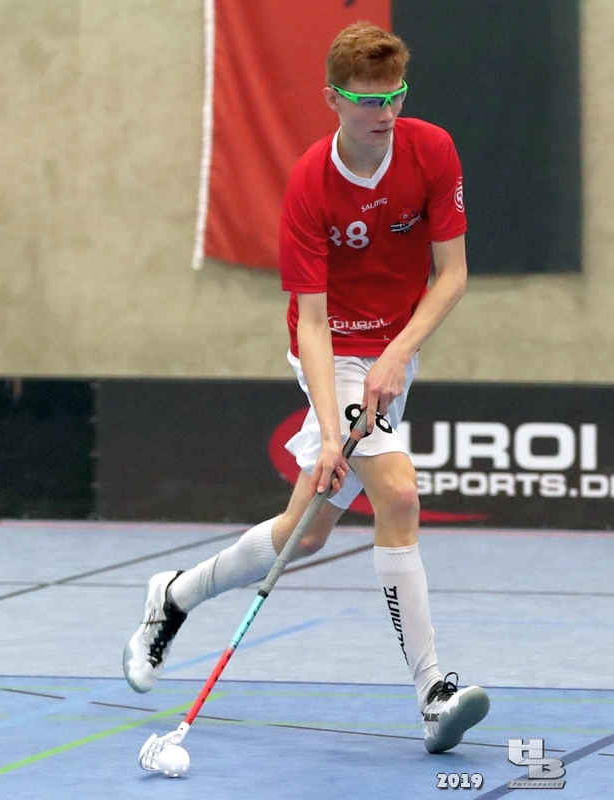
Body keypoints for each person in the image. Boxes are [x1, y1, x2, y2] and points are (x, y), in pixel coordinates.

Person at [122, 21, 488, 755]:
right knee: (399, 495)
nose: (385, 112)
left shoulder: (432, 150)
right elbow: (313, 323)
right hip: (333, 349)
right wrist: (328, 427)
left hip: (392, 352)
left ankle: (175, 594)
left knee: (306, 533)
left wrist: (399, 353)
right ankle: (433, 694)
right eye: (367, 100)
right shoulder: (310, 184)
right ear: (333, 99)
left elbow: (451, 275)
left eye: (395, 96)